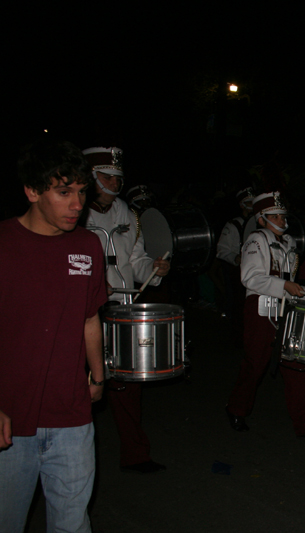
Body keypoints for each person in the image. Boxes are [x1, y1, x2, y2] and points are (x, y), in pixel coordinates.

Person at [0, 139, 107, 532]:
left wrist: (98, 375)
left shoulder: (87, 245)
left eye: (81, 192)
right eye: (64, 193)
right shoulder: (4, 244)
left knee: (72, 524)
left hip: (71, 417)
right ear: (32, 191)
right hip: (11, 419)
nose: (77, 204)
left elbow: (89, 317)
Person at [83, 146, 171, 474]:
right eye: (106, 176)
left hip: (121, 307)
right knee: (80, 384)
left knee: (127, 384)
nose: (114, 183)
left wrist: (155, 268)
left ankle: (135, 455)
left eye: (118, 177)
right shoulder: (75, 211)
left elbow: (135, 261)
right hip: (83, 311)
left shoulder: (125, 211)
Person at [226, 191, 305, 438]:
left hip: (284, 310)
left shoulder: (289, 242)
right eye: (276, 216)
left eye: (283, 215)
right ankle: (236, 408)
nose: (282, 220)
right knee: (255, 364)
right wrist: (285, 287)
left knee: (295, 365)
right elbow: (250, 278)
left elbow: (288, 283)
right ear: (261, 219)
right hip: (260, 311)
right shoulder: (255, 241)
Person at [216, 187, 255, 341]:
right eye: (249, 203)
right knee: (237, 305)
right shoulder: (233, 225)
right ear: (242, 205)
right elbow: (221, 250)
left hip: (255, 270)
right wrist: (235, 257)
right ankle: (238, 336)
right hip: (237, 271)